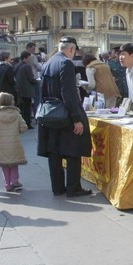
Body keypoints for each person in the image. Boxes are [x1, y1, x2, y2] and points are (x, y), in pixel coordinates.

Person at [37, 36, 92, 197]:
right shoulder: (66, 63)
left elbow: (43, 90)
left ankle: (58, 187)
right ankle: (73, 188)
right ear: (71, 49)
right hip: (65, 114)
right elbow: (68, 93)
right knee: (73, 151)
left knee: (54, 152)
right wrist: (76, 118)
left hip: (50, 113)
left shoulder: (49, 62)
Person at [0, 92, 28, 192]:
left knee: (5, 165)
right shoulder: (17, 114)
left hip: (1, 145)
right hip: (15, 144)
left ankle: (7, 184)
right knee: (14, 163)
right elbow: (23, 128)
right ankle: (15, 181)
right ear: (11, 102)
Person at [14, 51, 37, 129]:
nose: (30, 59)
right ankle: (27, 123)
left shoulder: (16, 65)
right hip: (27, 90)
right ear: (25, 58)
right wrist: (36, 81)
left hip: (19, 90)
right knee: (27, 108)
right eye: (29, 58)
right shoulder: (27, 66)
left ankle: (22, 123)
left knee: (22, 108)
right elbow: (31, 78)